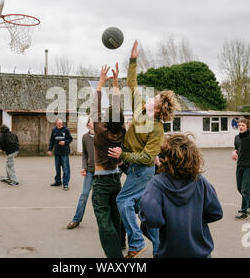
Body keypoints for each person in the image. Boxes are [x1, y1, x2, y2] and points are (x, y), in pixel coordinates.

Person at [108, 40, 180, 258]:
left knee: (122, 200)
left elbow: (149, 157)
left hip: (142, 170)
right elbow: (132, 83)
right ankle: (159, 249)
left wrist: (124, 155)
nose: (151, 97)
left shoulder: (156, 128)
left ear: (157, 108)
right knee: (143, 210)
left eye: (155, 97)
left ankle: (137, 242)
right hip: (135, 169)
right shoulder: (140, 108)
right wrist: (133, 59)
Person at [139, 133, 223, 258]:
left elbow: (152, 218)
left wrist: (170, 224)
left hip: (170, 252)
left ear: (166, 158)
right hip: (201, 253)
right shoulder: (200, 181)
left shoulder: (156, 183)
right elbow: (216, 212)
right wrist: (194, 221)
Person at [90, 63, 126, 258]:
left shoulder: (101, 133)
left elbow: (95, 106)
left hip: (102, 182)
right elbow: (117, 107)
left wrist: (101, 83)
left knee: (105, 224)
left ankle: (115, 259)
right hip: (116, 180)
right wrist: (115, 82)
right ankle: (120, 246)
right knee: (116, 217)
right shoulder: (121, 132)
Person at [67, 117, 95, 229]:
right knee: (84, 195)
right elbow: (85, 155)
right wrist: (84, 167)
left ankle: (106, 222)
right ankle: (76, 220)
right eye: (92, 120)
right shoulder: (85, 138)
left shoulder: (102, 136)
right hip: (90, 171)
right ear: (88, 124)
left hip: (102, 172)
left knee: (99, 198)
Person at [232, 118, 250, 220]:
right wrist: (234, 152)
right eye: (239, 125)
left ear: (247, 127)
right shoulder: (236, 138)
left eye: (243, 125)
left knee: (245, 190)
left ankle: (244, 212)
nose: (240, 127)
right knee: (240, 188)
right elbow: (237, 149)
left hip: (249, 167)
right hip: (239, 166)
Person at [48, 117, 73, 191]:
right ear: (56, 122)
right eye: (58, 122)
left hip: (64, 152)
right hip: (57, 153)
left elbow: (70, 139)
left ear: (62, 123)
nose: (59, 123)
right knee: (57, 168)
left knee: (65, 169)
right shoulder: (54, 130)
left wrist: (64, 142)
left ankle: (65, 184)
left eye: (61, 122)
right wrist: (50, 149)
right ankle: (58, 181)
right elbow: (52, 141)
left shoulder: (66, 130)